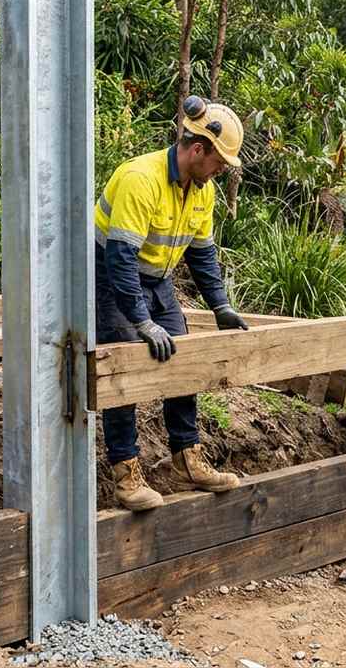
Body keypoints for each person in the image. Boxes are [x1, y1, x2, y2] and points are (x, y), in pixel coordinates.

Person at [94, 94, 250, 511]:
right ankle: (125, 474)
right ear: (198, 150)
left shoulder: (202, 190)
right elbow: (120, 258)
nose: (221, 171)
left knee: (182, 363)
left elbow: (202, 254)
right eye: (219, 162)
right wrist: (142, 323)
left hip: (157, 279)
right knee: (122, 369)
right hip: (110, 275)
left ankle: (187, 460)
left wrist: (220, 306)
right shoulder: (139, 179)